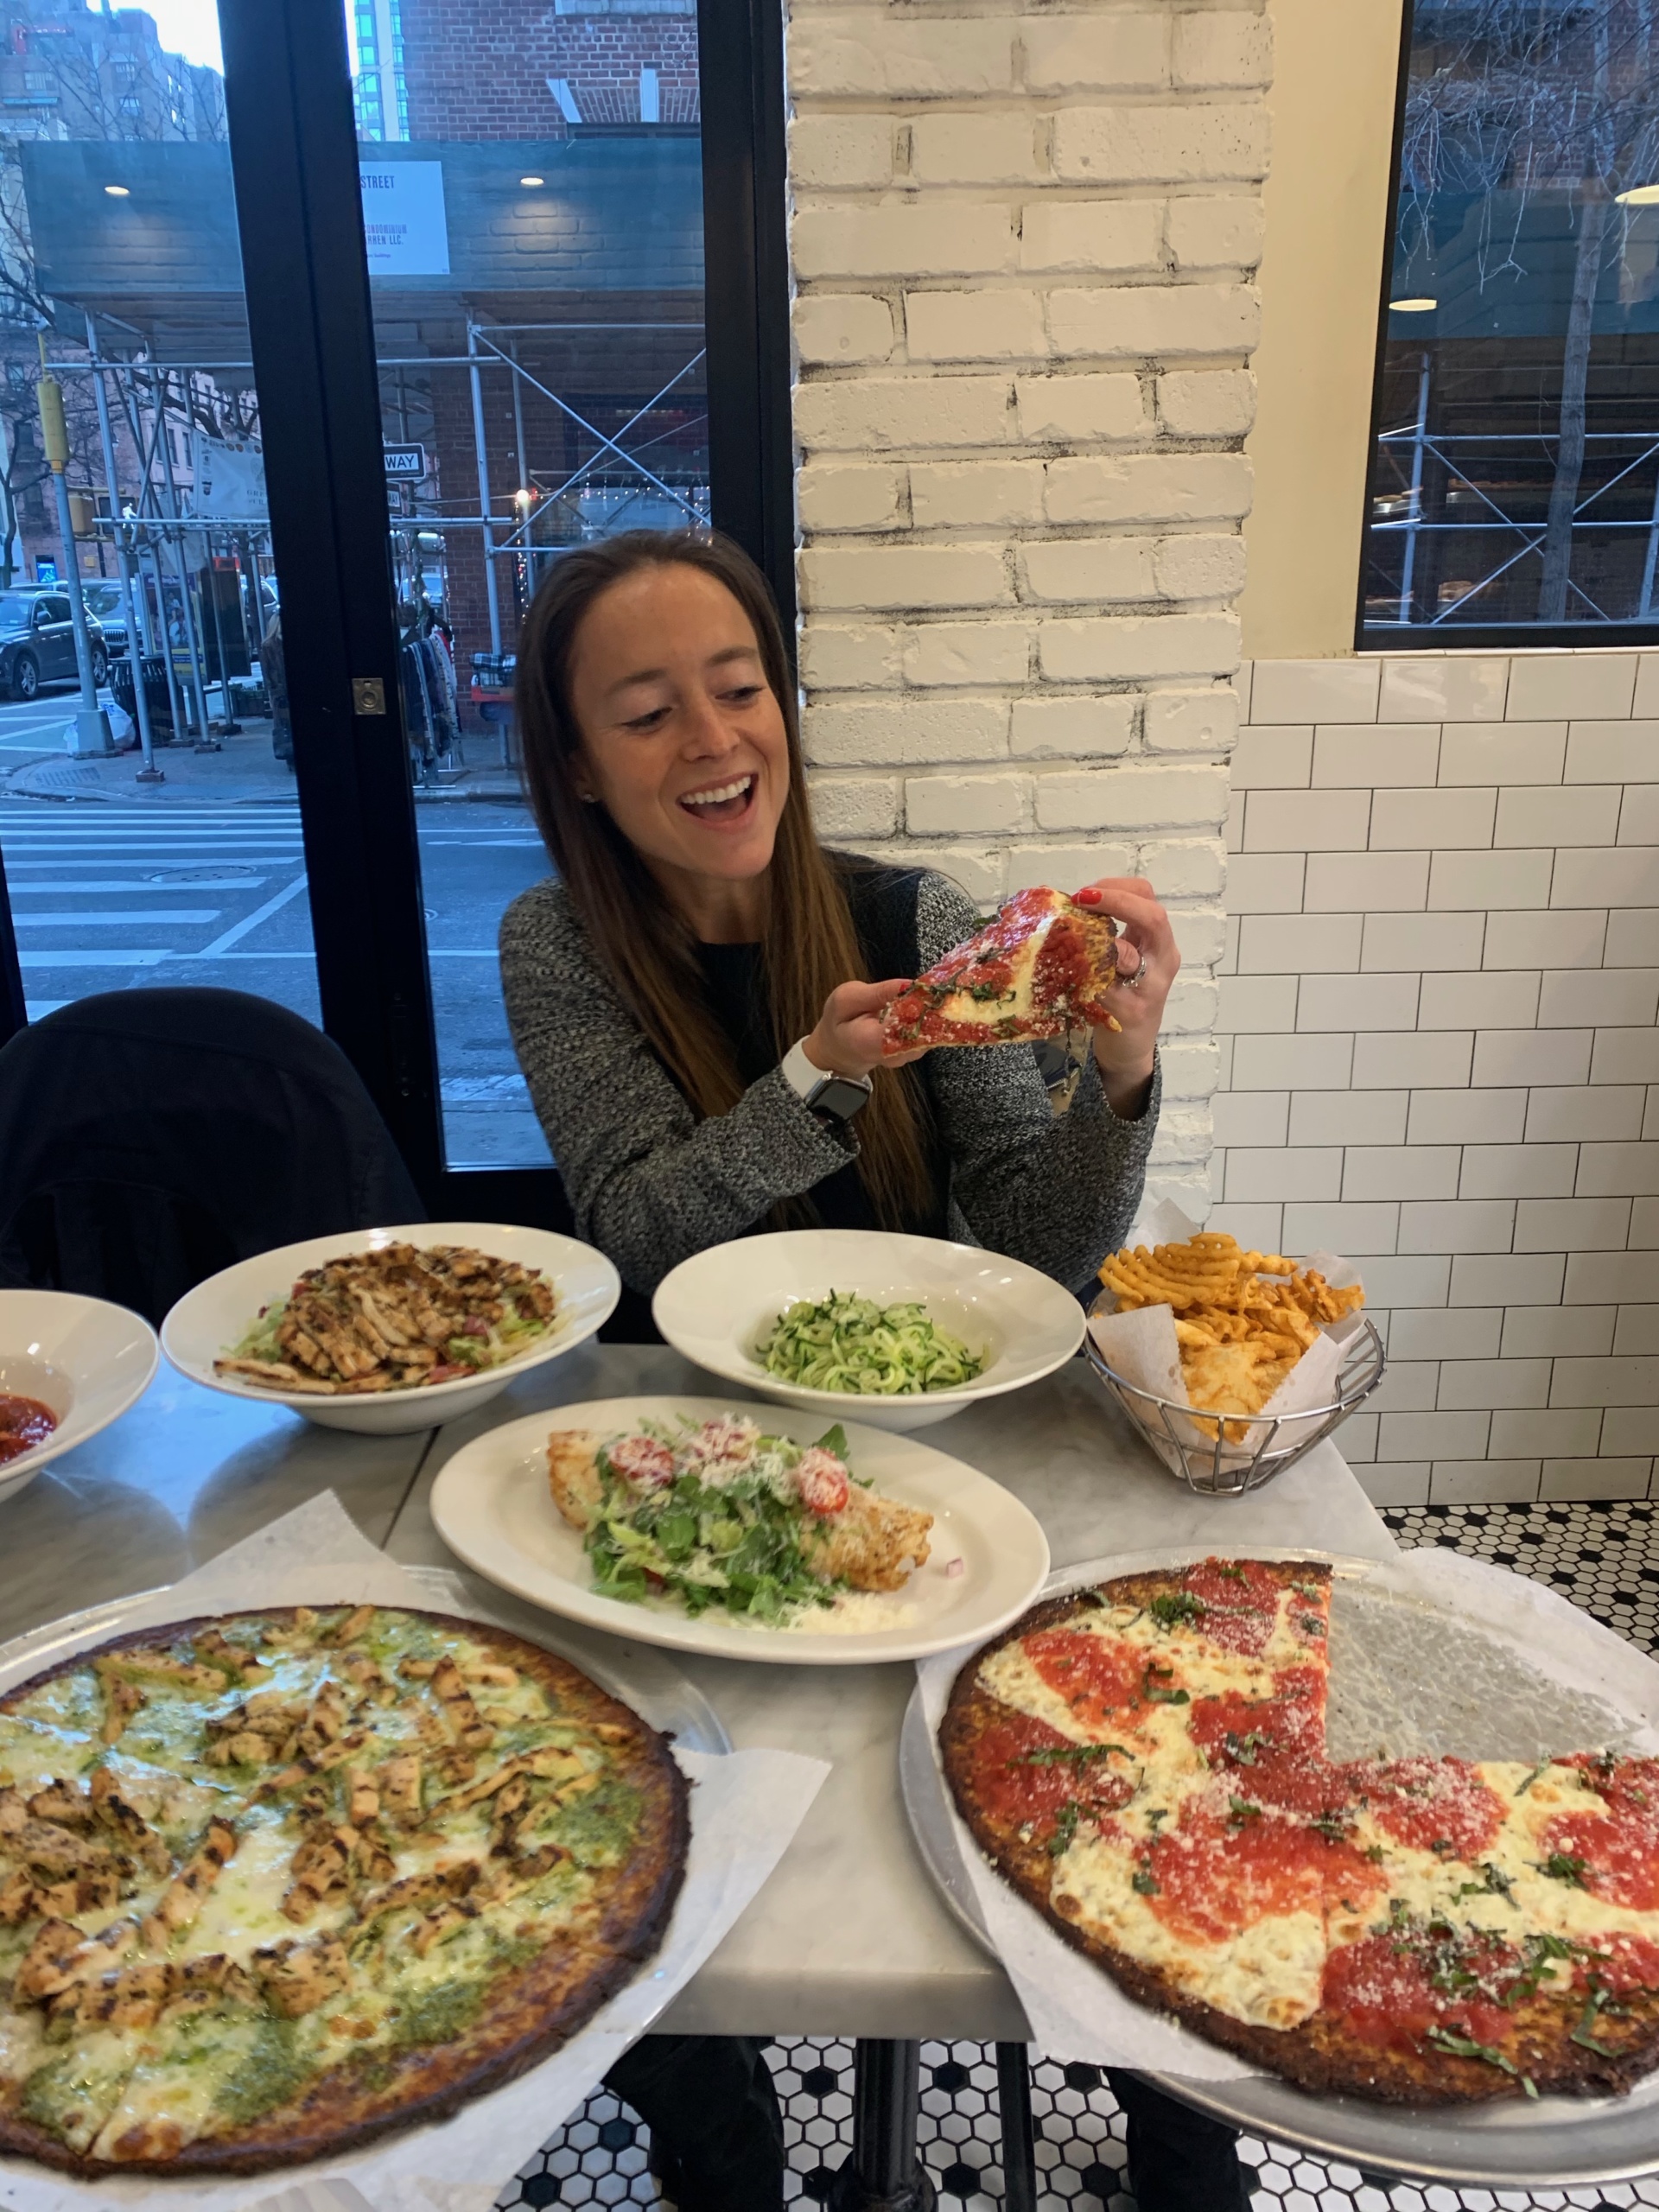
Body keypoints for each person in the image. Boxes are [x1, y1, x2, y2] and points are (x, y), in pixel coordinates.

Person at [499, 529, 1248, 2212]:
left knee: (1119, 1807)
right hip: (703, 1483)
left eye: (739, 685)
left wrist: (1120, 1072)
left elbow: (1037, 1252)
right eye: (644, 710)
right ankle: (735, 2170)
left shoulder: (930, 917)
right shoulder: (558, 945)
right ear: (576, 762)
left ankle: (1193, 2164)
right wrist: (818, 1078)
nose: (712, 741)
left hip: (967, 1473)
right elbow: (643, 1238)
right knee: (607, 1854)